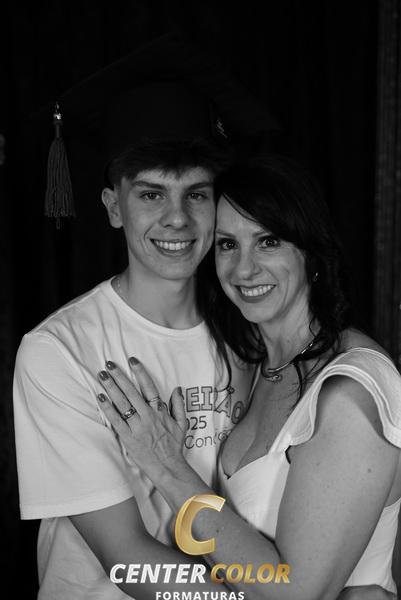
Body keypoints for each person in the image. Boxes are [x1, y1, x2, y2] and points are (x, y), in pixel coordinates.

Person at [95, 156, 401, 599]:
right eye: (227, 244)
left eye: (268, 241)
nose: (244, 269)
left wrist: (168, 468)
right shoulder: (257, 364)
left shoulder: (350, 393)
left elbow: (294, 594)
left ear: (310, 250)